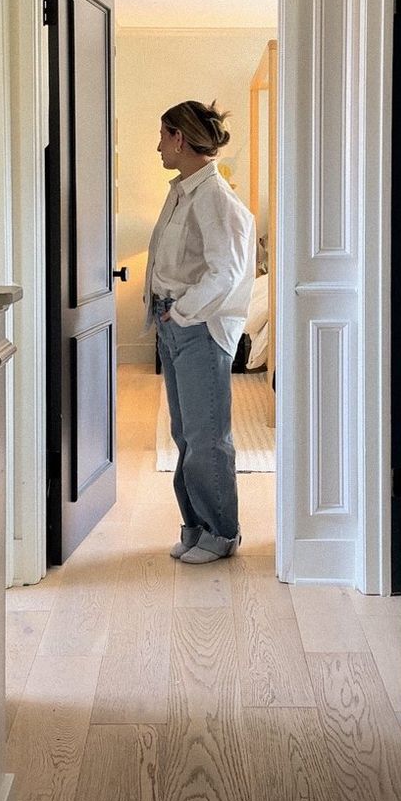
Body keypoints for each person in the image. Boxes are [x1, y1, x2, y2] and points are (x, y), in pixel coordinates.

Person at [143, 100, 256, 563]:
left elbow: (226, 272)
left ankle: (220, 533)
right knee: (185, 433)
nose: (158, 147)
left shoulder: (215, 197)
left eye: (162, 137)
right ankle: (195, 525)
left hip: (198, 328)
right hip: (175, 325)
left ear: (180, 139)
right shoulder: (184, 190)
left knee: (208, 435)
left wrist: (182, 312)